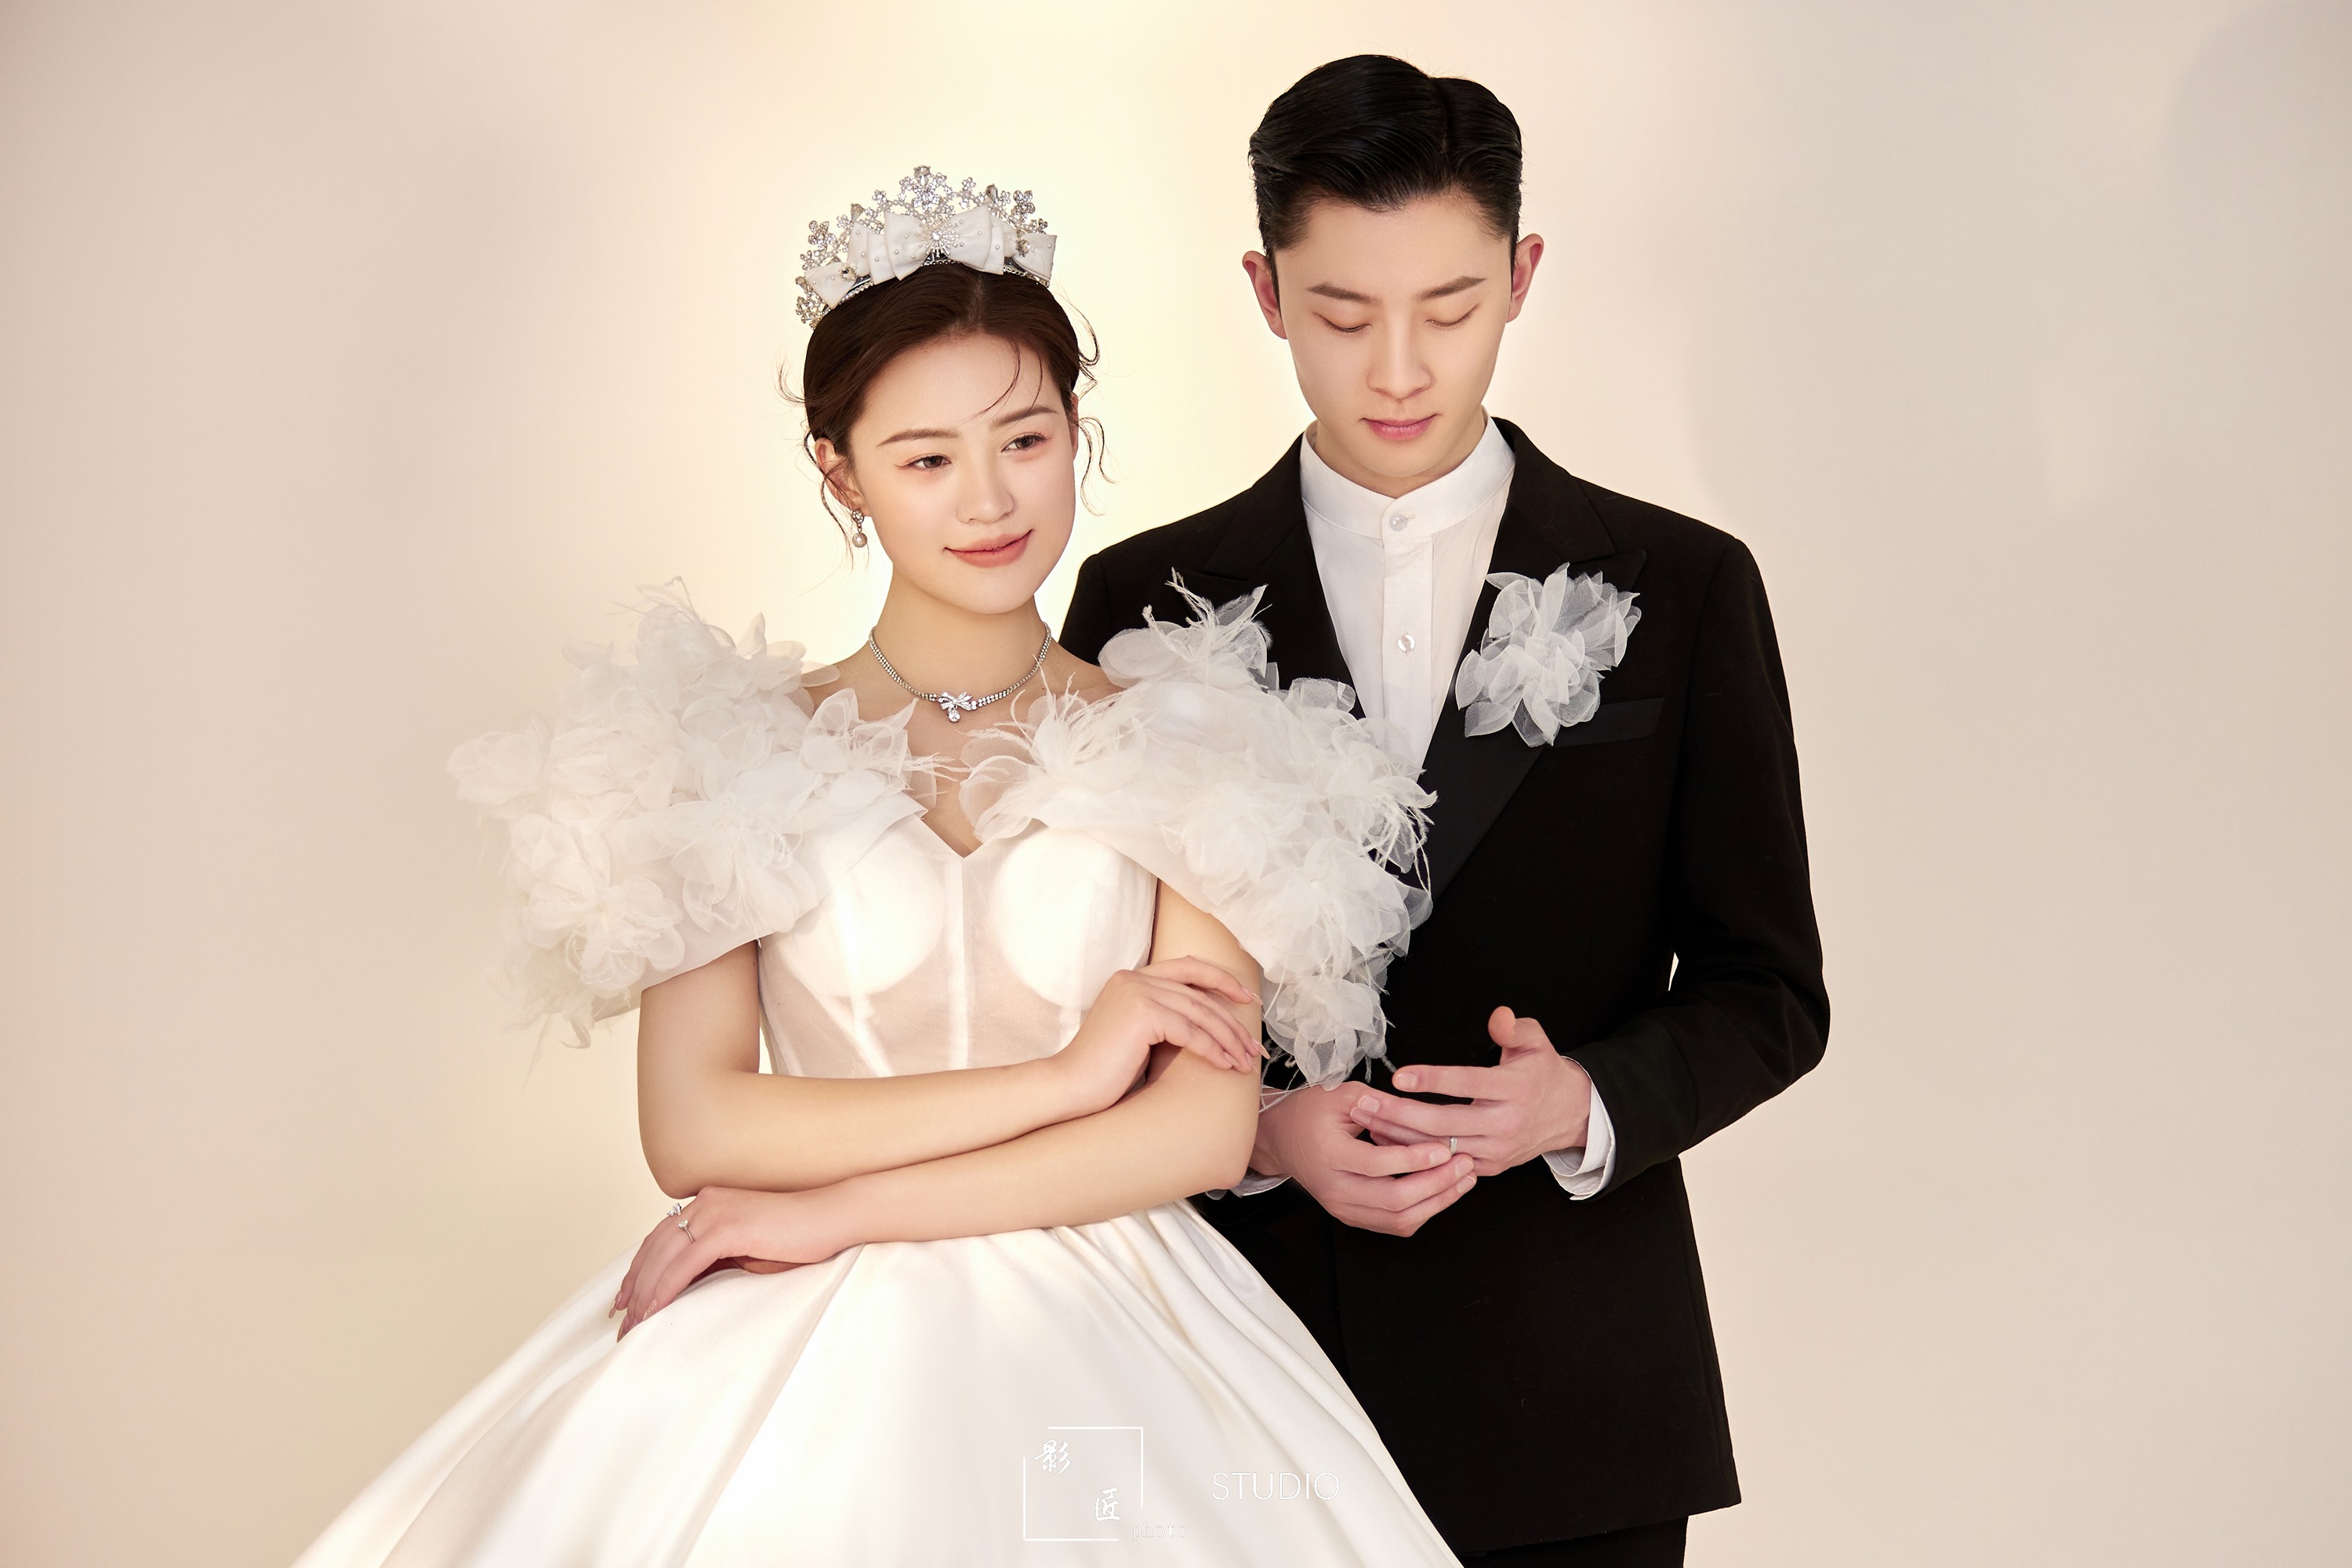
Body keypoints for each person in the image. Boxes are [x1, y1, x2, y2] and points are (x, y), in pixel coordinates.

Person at [296, 168, 1466, 1566]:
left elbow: (1201, 1137)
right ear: (839, 472)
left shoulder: (1198, 745)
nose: (989, 499)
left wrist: (842, 1212)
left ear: (1076, 432)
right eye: (925, 460)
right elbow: (695, 1126)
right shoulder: (728, 749)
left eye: (1025, 438)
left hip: (1120, 1323)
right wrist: (1067, 1080)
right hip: (784, 1344)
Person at [1058, 57, 1831, 1567]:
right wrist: (1256, 1132)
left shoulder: (1685, 586)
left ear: (1523, 277)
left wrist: (1581, 1100)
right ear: (1267, 293)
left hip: (1573, 1397)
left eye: (1452, 308)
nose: (1399, 370)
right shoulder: (1141, 601)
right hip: (1234, 1375)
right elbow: (1074, 992)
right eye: (1344, 316)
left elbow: (1771, 990)